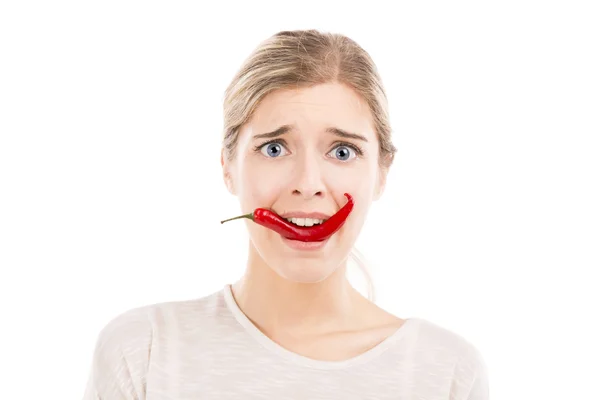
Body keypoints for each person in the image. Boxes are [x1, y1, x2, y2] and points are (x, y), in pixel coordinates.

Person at [83, 29, 489, 399]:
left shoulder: (445, 372)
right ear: (227, 166)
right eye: (275, 148)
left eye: (342, 151)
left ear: (382, 173)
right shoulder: (143, 351)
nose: (308, 182)